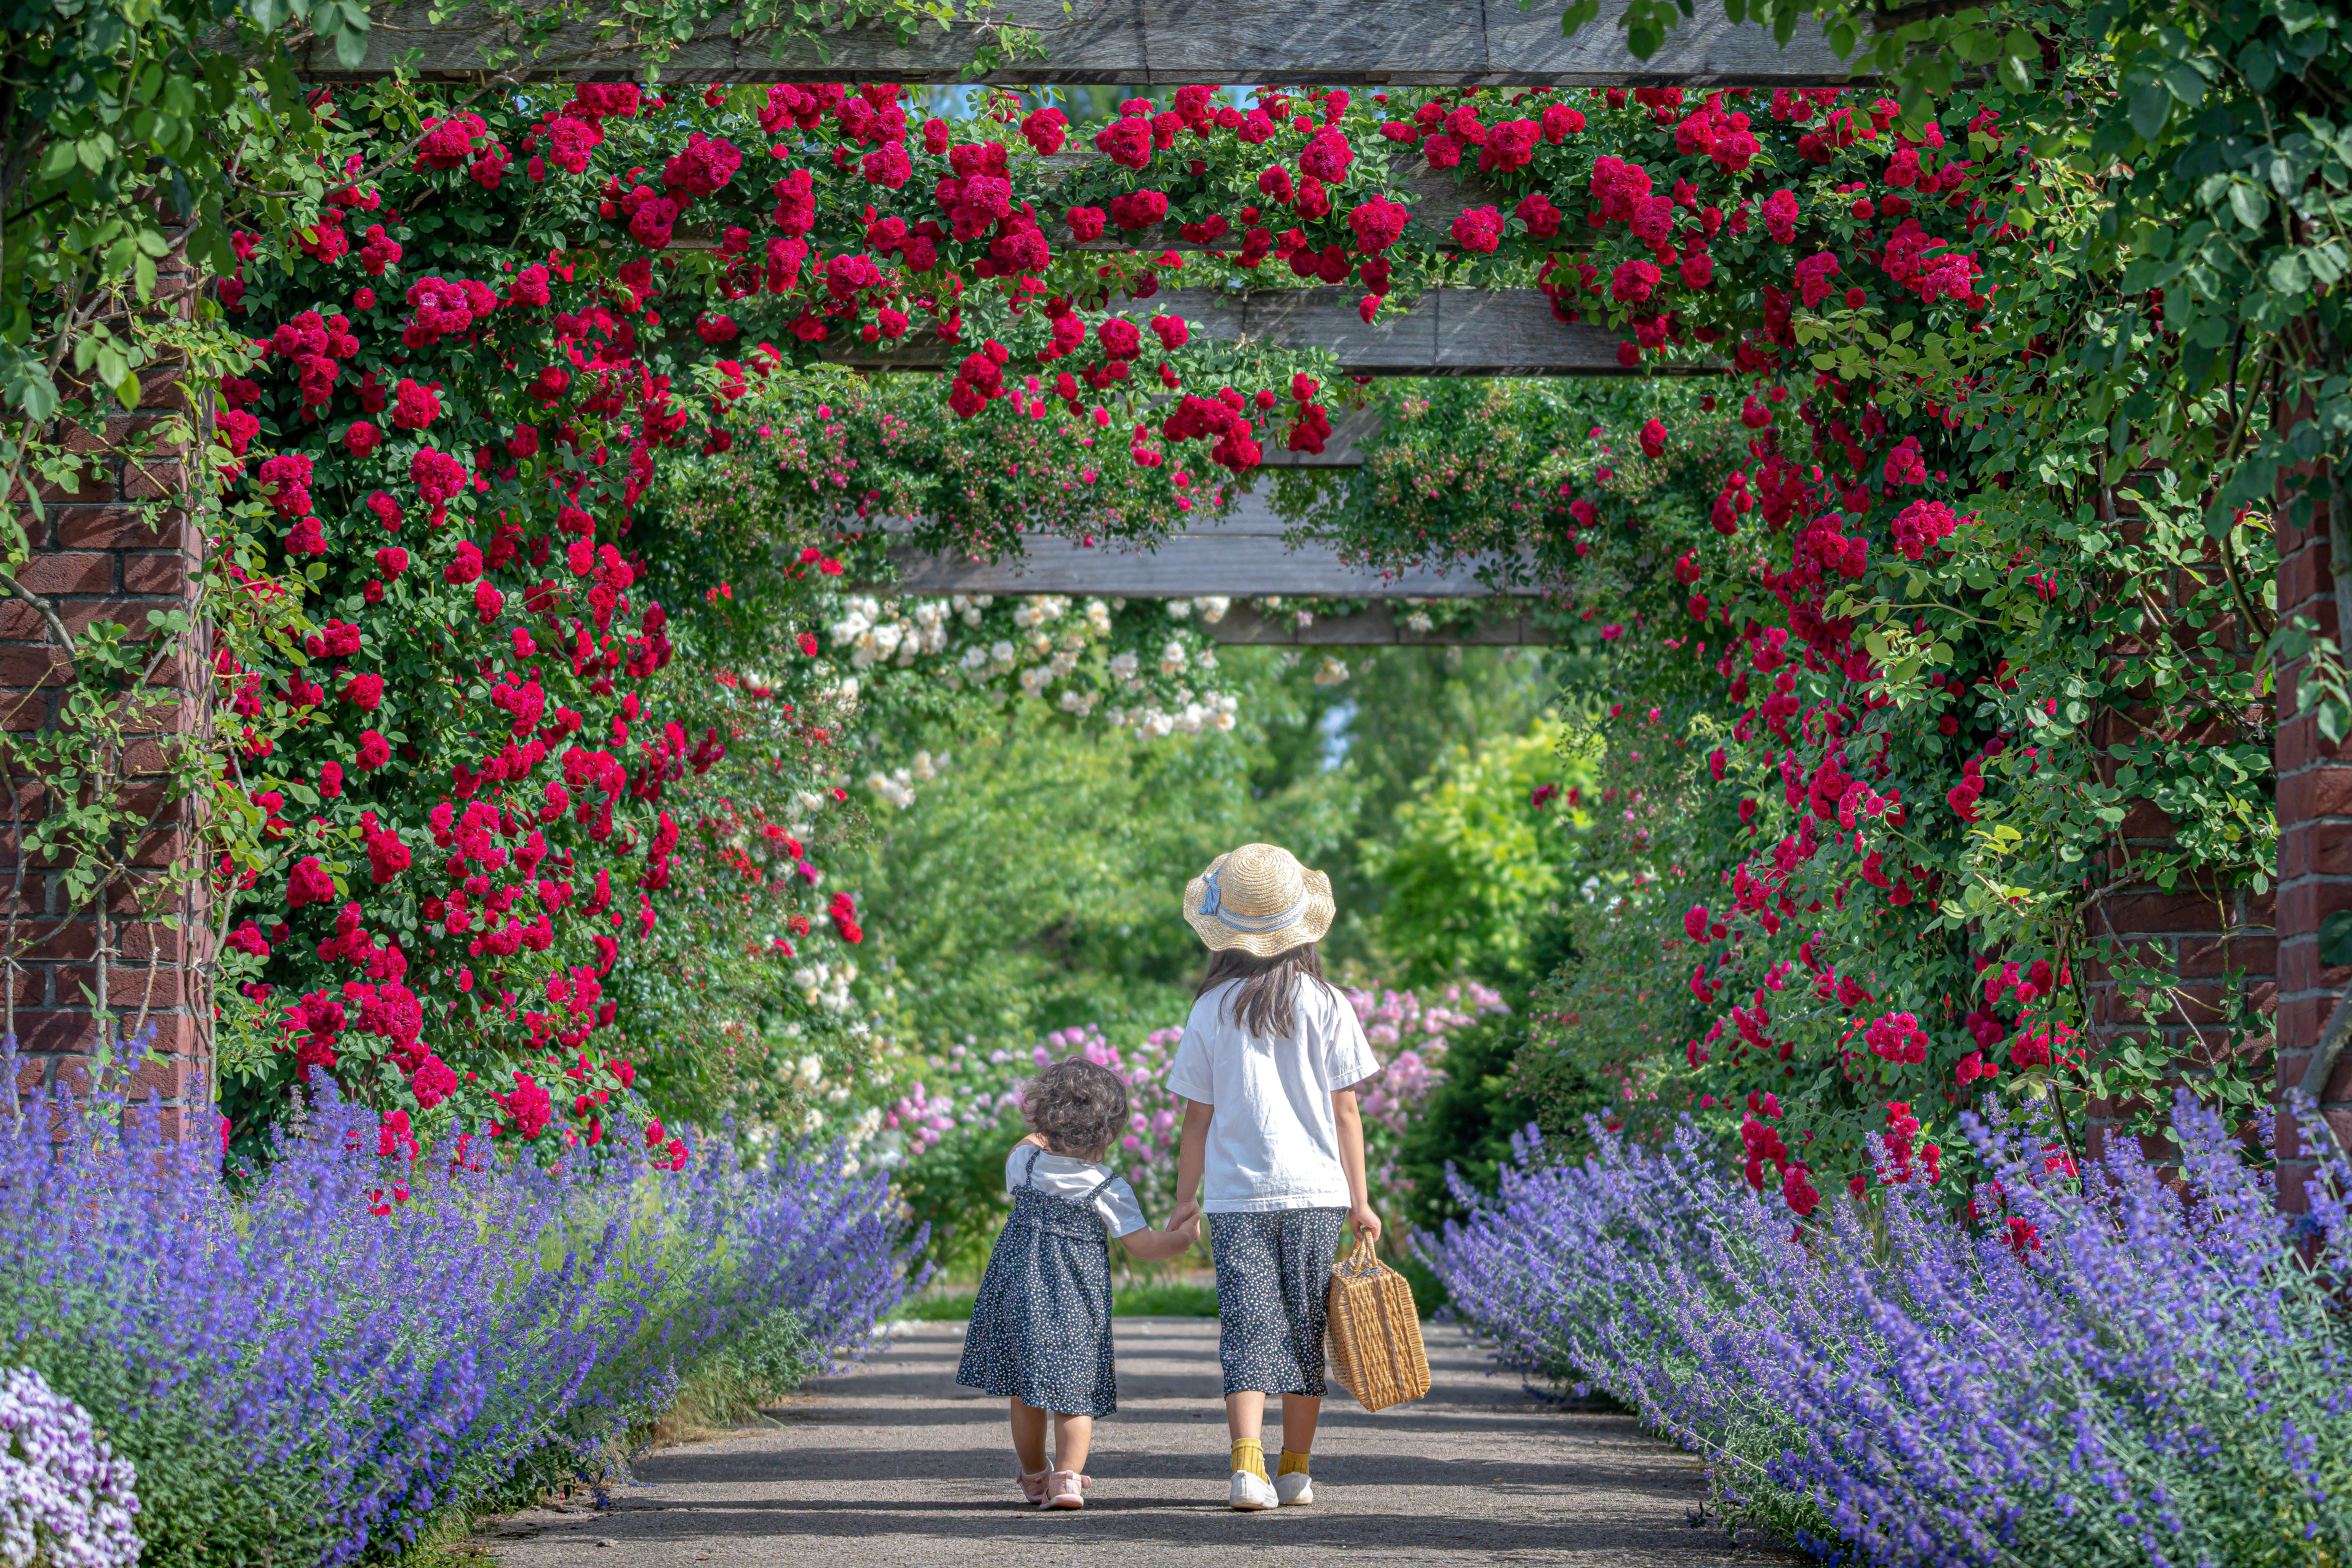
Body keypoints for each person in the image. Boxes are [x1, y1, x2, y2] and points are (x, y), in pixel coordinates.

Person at [1166, 842, 1382, 1512]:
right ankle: (1294, 1471)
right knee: (1302, 1332)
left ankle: (1245, 1468)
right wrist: (1362, 1205)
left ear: (1224, 934)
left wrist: (1183, 1201)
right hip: (1318, 1194)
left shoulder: (1210, 1010)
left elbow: (1196, 1121)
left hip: (1236, 1198)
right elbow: (1348, 1112)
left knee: (1247, 1330)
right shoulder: (1327, 1002)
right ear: (1301, 926)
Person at [955, 1055, 1198, 1510]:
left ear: (1045, 1119)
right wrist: (1182, 1239)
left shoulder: (1025, 1163)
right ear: (1108, 1131)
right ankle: (1067, 1482)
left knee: (1025, 1390)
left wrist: (1043, 1121)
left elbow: (1028, 1138)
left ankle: (1033, 1475)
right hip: (1075, 1300)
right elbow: (1143, 1245)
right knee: (1075, 1391)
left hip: (1018, 1293)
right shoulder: (1105, 1185)